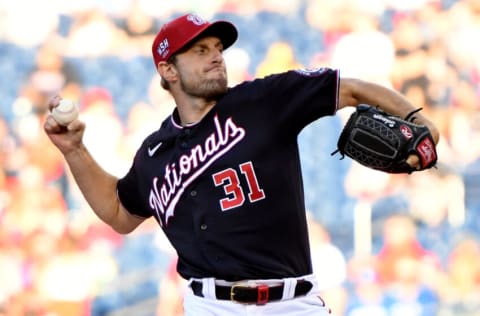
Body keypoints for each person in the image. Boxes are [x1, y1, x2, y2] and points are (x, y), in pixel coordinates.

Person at [44, 13, 440, 316]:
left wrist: (423, 123)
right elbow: (118, 213)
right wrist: (74, 151)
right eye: (200, 51)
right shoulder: (155, 153)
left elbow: (351, 88)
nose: (216, 57)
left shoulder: (262, 100)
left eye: (218, 48)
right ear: (168, 70)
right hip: (210, 305)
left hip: (292, 301)